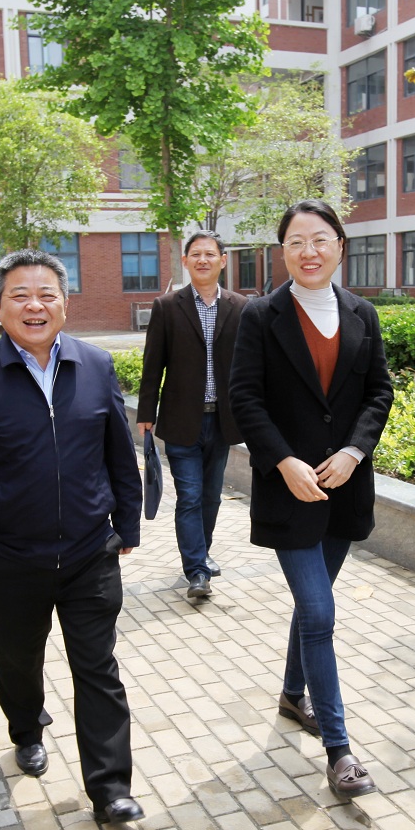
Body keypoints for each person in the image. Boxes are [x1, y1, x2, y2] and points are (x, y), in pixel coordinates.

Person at [0, 249, 145, 825]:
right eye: (20, 296)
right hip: (9, 558)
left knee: (98, 668)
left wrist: (126, 524)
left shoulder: (95, 365)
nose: (35, 306)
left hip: (89, 552)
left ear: (64, 303)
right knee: (18, 662)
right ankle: (26, 728)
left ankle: (110, 788)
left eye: (47, 294)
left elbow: (118, 451)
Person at [227, 200, 394, 800]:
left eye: (320, 239)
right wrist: (282, 460)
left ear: (340, 246)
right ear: (283, 252)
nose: (309, 251)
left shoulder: (362, 313)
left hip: (344, 488)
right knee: (320, 613)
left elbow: (379, 392)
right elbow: (245, 398)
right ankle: (340, 752)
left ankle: (293, 694)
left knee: (311, 606)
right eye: (296, 241)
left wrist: (354, 451)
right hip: (289, 490)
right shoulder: (260, 315)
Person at [135, 232, 248, 604]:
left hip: (222, 421)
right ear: (185, 261)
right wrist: (146, 413)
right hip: (182, 420)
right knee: (189, 497)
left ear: (223, 261)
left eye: (210, 254)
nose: (203, 260)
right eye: (195, 254)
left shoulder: (241, 306)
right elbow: (153, 364)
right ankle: (197, 570)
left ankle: (202, 552)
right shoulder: (167, 306)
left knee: (211, 497)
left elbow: (249, 366)